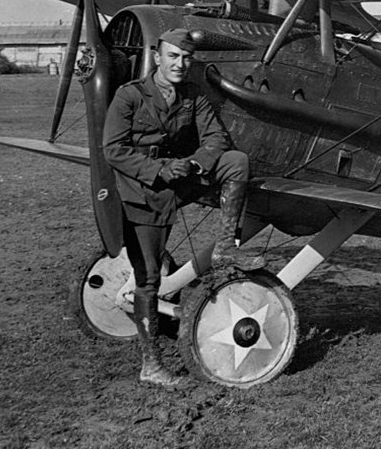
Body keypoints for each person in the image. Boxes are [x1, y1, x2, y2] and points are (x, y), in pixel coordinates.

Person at [103, 28, 265, 386]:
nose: (180, 64)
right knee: (148, 279)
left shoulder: (193, 96)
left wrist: (192, 164)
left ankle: (224, 247)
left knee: (236, 161)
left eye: (186, 58)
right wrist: (159, 169)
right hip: (143, 188)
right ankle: (152, 366)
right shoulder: (129, 96)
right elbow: (113, 150)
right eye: (173, 56)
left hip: (182, 176)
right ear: (157, 57)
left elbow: (216, 139)